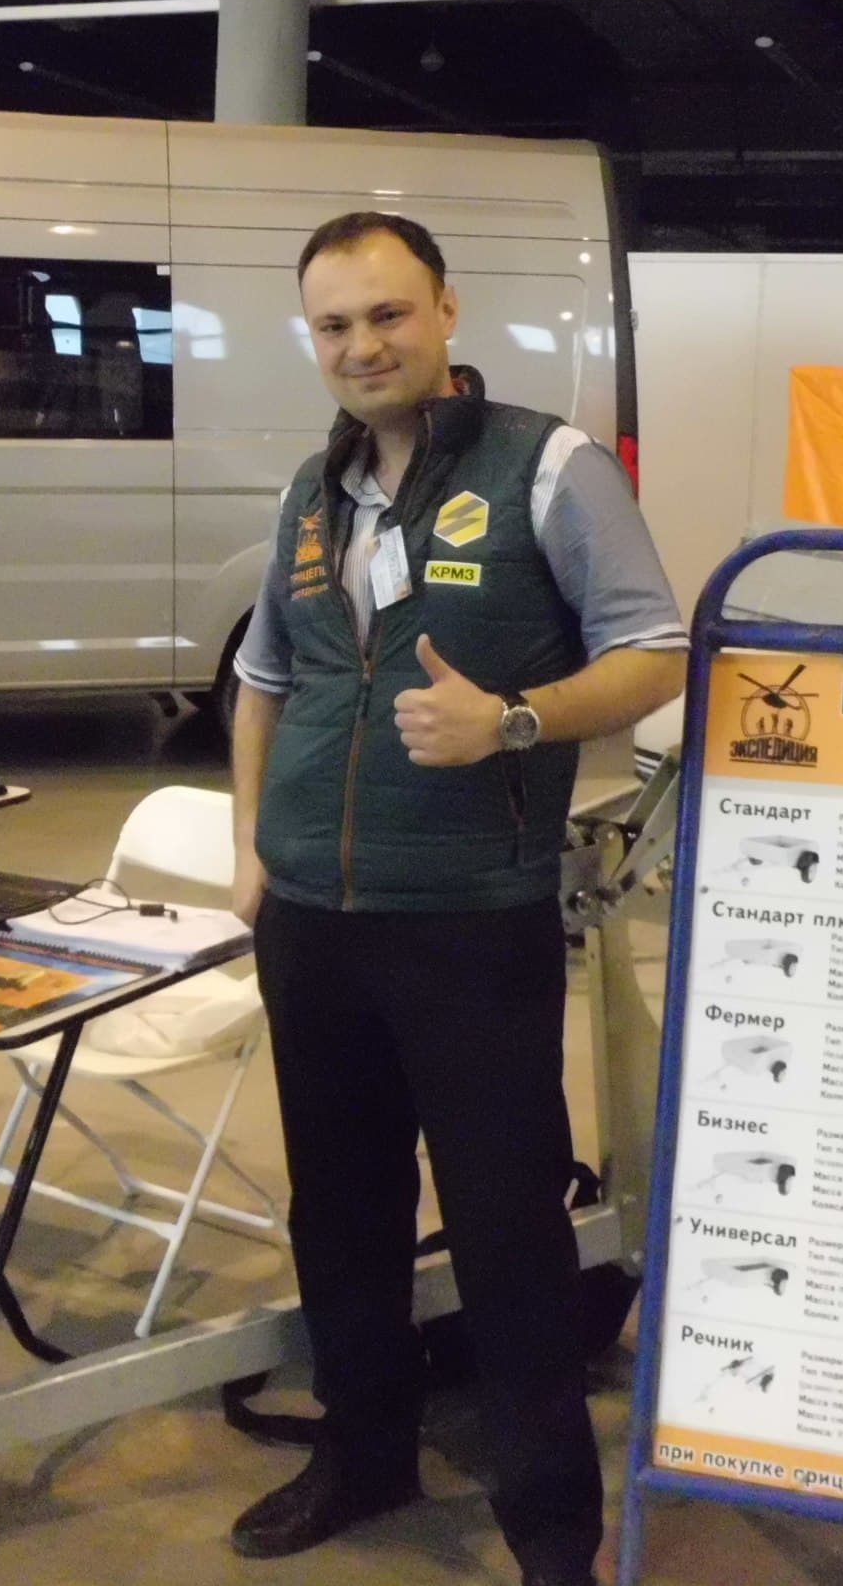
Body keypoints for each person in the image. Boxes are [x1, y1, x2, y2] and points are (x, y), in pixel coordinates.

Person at [226, 212, 687, 1586]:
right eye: (335, 324)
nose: (363, 345)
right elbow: (262, 681)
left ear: (445, 312)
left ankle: (551, 1528)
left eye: (388, 314)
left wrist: (514, 722)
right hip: (315, 921)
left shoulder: (548, 466)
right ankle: (365, 1453)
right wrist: (252, 849)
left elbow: (656, 650)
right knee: (339, 1213)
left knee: (507, 1230)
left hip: (470, 918)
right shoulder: (312, 493)